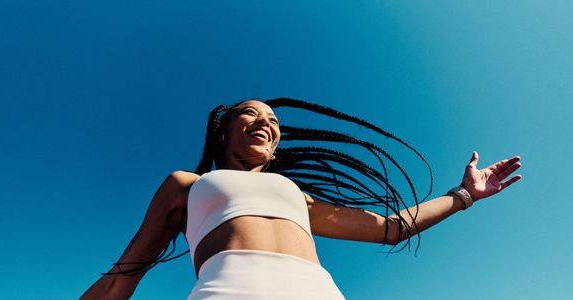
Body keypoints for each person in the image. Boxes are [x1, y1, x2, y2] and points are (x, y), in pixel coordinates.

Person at [81, 98, 522, 299]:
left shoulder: (295, 193)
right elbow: (124, 277)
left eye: (272, 120)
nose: (264, 122)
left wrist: (464, 194)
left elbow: (391, 228)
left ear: (276, 145)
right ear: (223, 131)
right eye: (249, 114)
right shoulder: (187, 184)